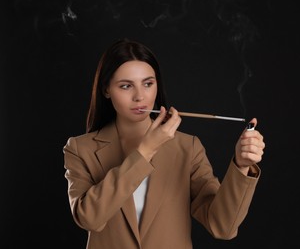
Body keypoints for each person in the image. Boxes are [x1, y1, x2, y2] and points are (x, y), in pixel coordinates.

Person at [63, 38, 265, 249]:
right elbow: (89, 218)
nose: (140, 96)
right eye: (125, 86)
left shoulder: (188, 147)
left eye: (148, 84)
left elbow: (222, 226)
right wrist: (145, 151)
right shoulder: (80, 148)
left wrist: (241, 166)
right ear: (106, 90)